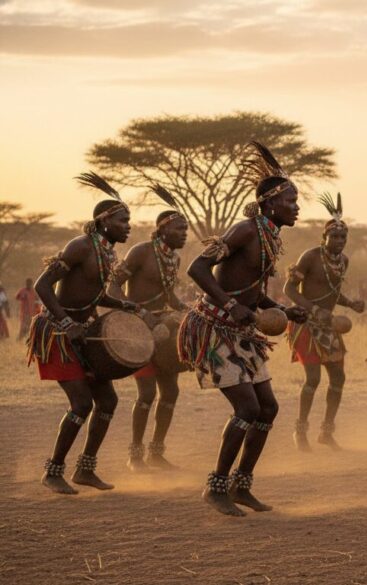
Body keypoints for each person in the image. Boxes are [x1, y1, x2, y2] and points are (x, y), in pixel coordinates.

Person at [178, 142, 308, 516]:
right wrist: (231, 305)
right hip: (215, 329)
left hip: (242, 332)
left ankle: (241, 485)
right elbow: (197, 268)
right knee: (247, 408)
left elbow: (251, 291)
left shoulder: (269, 237)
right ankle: (216, 486)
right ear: (270, 203)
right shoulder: (245, 231)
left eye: (296, 201)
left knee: (268, 408)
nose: (296, 207)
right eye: (291, 201)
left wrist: (281, 309)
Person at [29, 173, 149, 494]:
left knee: (107, 401)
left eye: (129, 221)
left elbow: (93, 295)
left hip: (83, 333)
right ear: (104, 220)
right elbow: (43, 285)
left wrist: (124, 304)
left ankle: (85, 469)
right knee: (82, 404)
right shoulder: (80, 246)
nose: (128, 227)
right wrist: (66, 323)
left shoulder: (106, 252)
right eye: (123, 221)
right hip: (58, 334)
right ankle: (53, 471)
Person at [107, 186, 189, 471]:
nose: (184, 234)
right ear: (163, 229)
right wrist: (138, 312)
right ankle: (135, 455)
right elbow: (113, 286)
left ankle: (156, 452)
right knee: (146, 393)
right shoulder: (141, 252)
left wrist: (186, 308)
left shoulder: (174, 258)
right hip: (137, 330)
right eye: (179, 229)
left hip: (163, 330)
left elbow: (168, 295)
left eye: (186, 229)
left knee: (171, 392)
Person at [284, 193, 365, 451]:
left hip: (328, 325)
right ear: (324, 237)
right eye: (335, 236)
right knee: (313, 379)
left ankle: (326, 432)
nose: (339, 241)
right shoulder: (310, 256)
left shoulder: (343, 261)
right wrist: (314, 310)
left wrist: (351, 303)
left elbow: (332, 291)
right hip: (306, 324)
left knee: (338, 378)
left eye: (343, 237)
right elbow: (289, 289)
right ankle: (300, 431)